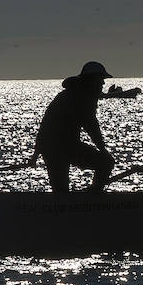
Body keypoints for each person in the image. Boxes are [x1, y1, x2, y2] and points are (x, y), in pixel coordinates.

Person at [33, 61, 115, 194]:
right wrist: (103, 149)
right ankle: (93, 197)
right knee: (106, 162)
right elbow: (91, 125)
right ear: (91, 80)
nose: (103, 83)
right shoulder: (82, 97)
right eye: (100, 79)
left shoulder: (72, 94)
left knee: (61, 190)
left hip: (58, 147)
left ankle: (85, 197)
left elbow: (44, 125)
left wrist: (36, 153)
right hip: (58, 148)